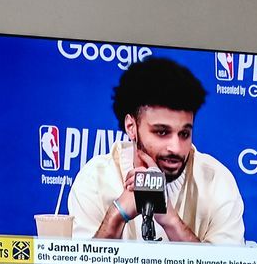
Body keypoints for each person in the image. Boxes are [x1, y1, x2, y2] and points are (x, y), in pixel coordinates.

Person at [68, 56, 245, 243]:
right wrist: (117, 215)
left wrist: (171, 220)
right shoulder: (95, 178)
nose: (176, 148)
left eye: (184, 134)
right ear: (131, 127)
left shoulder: (217, 180)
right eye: (162, 132)